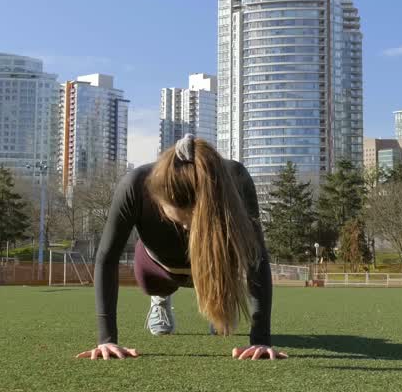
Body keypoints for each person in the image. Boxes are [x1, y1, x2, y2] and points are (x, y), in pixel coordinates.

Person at [77, 134, 285, 361]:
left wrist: (261, 340)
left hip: (216, 266)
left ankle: (216, 303)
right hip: (157, 268)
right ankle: (161, 300)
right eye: (181, 221)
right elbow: (107, 258)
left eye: (196, 220)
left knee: (225, 326)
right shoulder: (135, 185)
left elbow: (257, 258)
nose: (188, 230)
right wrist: (107, 340)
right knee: (153, 286)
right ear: (159, 198)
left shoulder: (236, 179)